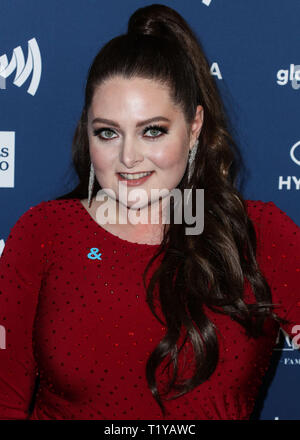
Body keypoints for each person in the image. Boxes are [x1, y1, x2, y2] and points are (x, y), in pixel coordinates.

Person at [0, 3, 299, 421]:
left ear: (194, 129)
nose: (128, 158)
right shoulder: (44, 232)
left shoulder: (260, 233)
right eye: (108, 132)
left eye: (152, 130)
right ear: (87, 133)